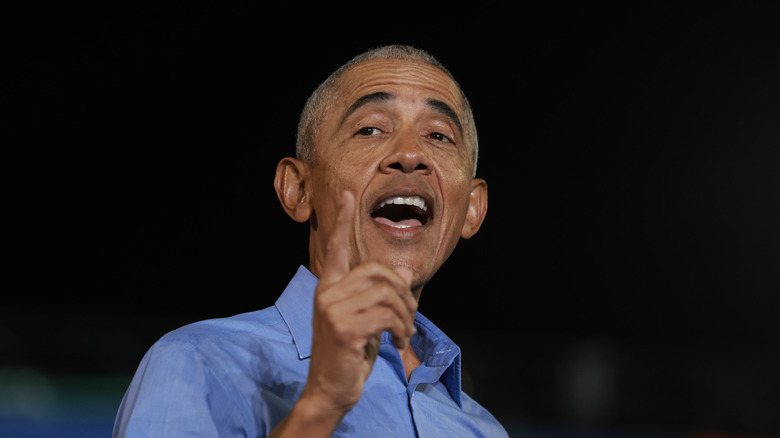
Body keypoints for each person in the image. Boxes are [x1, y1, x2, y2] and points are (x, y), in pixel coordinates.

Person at [113, 44, 508, 437]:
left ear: (472, 208)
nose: (410, 154)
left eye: (438, 135)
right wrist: (321, 404)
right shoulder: (201, 362)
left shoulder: (483, 429)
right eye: (370, 129)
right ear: (298, 189)